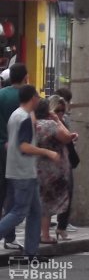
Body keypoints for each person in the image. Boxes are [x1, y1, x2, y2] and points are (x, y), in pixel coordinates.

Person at [0, 85, 59, 259]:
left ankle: (31, 252)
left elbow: (12, 142)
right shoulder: (24, 118)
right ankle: (30, 251)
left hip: (19, 170)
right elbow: (24, 146)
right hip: (23, 171)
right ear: (33, 98)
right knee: (19, 212)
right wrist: (47, 152)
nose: (40, 100)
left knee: (35, 211)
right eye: (38, 97)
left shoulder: (16, 115)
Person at [34, 96, 75, 243]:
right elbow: (67, 137)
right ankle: (45, 235)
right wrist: (58, 121)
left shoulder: (33, 124)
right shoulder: (51, 125)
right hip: (52, 169)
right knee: (48, 203)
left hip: (36, 166)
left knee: (39, 202)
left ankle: (36, 235)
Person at [0, 63, 28, 250]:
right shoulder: (26, 97)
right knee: (12, 193)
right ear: (25, 77)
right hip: (17, 150)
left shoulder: (1, 95)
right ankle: (9, 237)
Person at [53, 87, 78, 236]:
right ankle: (61, 225)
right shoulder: (58, 120)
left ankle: (58, 226)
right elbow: (66, 137)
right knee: (66, 192)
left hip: (56, 161)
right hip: (60, 161)